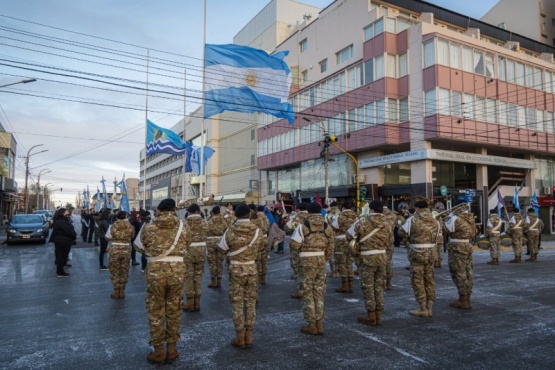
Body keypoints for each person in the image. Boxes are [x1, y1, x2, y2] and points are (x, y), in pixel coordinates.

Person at [137, 198, 191, 364]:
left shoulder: (148, 227)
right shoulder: (184, 226)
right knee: (174, 309)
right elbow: (187, 245)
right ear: (175, 210)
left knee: (155, 311)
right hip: (177, 271)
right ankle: (172, 349)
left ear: (158, 211)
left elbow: (138, 246)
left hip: (155, 273)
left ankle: (159, 351)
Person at [219, 203, 264, 348]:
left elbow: (221, 250)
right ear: (249, 215)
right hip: (251, 268)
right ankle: (249, 336)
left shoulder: (230, 230)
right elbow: (261, 247)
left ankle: (240, 337)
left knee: (237, 303)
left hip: (236, 269)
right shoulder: (258, 231)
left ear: (236, 215)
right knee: (250, 302)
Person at [290, 202, 334, 335]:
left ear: (308, 213)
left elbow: (294, 245)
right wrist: (324, 257)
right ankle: (320, 324)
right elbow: (331, 246)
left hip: (306, 261)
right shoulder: (327, 226)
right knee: (319, 292)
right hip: (321, 260)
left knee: (307, 292)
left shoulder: (303, 226)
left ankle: (311, 325)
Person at [346, 200, 392, 326]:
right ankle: (378, 315)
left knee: (368, 287)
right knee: (379, 287)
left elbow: (349, 235)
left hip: (367, 258)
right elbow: (391, 240)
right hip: (382, 257)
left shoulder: (362, 221)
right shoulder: (387, 223)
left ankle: (371, 315)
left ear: (371, 209)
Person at [398, 200, 440, 317]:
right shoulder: (435, 220)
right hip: (431, 253)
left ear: (417, 208)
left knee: (418, 281)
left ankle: (422, 308)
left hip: (417, 253)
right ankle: (430, 307)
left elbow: (401, 233)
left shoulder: (412, 220)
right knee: (430, 280)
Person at [444, 202, 476, 309]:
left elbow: (446, 229)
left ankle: (462, 299)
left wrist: (447, 218)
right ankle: (468, 298)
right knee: (468, 271)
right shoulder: (471, 219)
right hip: (467, 245)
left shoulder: (456, 218)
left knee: (458, 271)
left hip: (457, 246)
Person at [183, 203, 208, 312]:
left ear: (188, 212)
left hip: (188, 252)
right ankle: (197, 302)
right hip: (201, 251)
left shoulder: (184, 223)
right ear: (199, 211)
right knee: (198, 276)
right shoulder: (205, 223)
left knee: (189, 276)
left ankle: (189, 302)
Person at [107, 211, 136, 299]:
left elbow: (107, 237)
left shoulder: (112, 226)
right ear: (125, 217)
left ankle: (116, 292)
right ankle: (122, 292)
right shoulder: (131, 226)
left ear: (117, 217)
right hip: (126, 249)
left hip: (114, 249)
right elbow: (132, 236)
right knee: (124, 270)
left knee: (115, 270)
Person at [332, 201, 357, 294]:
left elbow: (333, 228)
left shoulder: (340, 216)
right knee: (349, 263)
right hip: (352, 241)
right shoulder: (356, 217)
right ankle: (351, 284)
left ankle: (345, 285)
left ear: (343, 207)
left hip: (341, 241)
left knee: (341, 263)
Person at [285, 202, 309, 299]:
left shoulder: (296, 217)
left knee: (299, 268)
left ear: (298, 209)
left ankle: (301, 290)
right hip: (313, 247)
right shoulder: (312, 217)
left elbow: (287, 229)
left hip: (298, 244)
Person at [50, 208, 77, 277]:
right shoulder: (61, 221)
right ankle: (60, 272)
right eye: (66, 212)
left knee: (62, 256)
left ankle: (61, 268)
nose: (68, 213)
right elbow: (68, 230)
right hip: (62, 241)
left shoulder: (63, 220)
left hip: (64, 240)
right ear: (62, 213)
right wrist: (74, 236)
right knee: (61, 256)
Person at [206, 206, 228, 289]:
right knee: (219, 261)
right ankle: (219, 281)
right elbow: (226, 230)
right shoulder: (224, 221)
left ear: (213, 212)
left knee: (212, 262)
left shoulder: (209, 221)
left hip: (211, 242)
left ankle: (213, 281)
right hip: (221, 241)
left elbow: (206, 230)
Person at [381, 206, 397, 290]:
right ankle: (388, 282)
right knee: (389, 262)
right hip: (390, 241)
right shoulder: (393, 215)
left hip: (381, 242)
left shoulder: (379, 217)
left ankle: (383, 283)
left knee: (382, 263)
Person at [326, 202, 340, 278]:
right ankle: (337, 271)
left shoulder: (328, 215)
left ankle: (334, 272)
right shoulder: (342, 215)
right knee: (338, 255)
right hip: (340, 238)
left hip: (331, 237)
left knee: (332, 255)